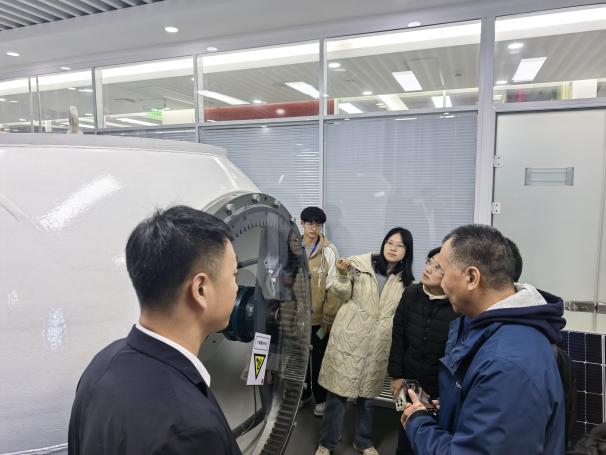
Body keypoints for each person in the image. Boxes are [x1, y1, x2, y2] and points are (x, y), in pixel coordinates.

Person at [68, 206, 242, 455]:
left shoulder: (102, 364)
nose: (237, 287)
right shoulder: (190, 429)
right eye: (234, 275)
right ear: (200, 289)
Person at [402, 224, 566, 455]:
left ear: (471, 277)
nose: (442, 283)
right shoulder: (489, 327)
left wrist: (418, 423)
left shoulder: (507, 365)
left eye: (444, 272)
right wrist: (454, 407)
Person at [315, 227, 414, 455]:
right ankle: (327, 443)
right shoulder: (359, 265)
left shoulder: (406, 282)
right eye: (389, 242)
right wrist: (341, 274)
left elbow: (401, 316)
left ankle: (363, 441)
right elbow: (341, 293)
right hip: (349, 339)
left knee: (367, 398)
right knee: (337, 395)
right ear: (383, 243)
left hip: (377, 345)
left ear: (406, 252)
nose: (393, 248)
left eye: (400, 245)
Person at [388, 246, 459, 455]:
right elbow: (398, 337)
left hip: (439, 390)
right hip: (410, 383)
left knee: (432, 441)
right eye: (429, 262)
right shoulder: (411, 293)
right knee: (405, 436)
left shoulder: (458, 306)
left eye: (438, 268)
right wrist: (396, 375)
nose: (428, 269)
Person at [299, 206, 342, 417]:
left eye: (318, 224)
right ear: (302, 223)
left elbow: (333, 288)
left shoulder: (329, 250)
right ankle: (303, 394)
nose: (313, 228)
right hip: (296, 318)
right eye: (309, 223)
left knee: (318, 359)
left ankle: (321, 399)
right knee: (299, 358)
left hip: (320, 321)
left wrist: (328, 318)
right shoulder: (293, 247)